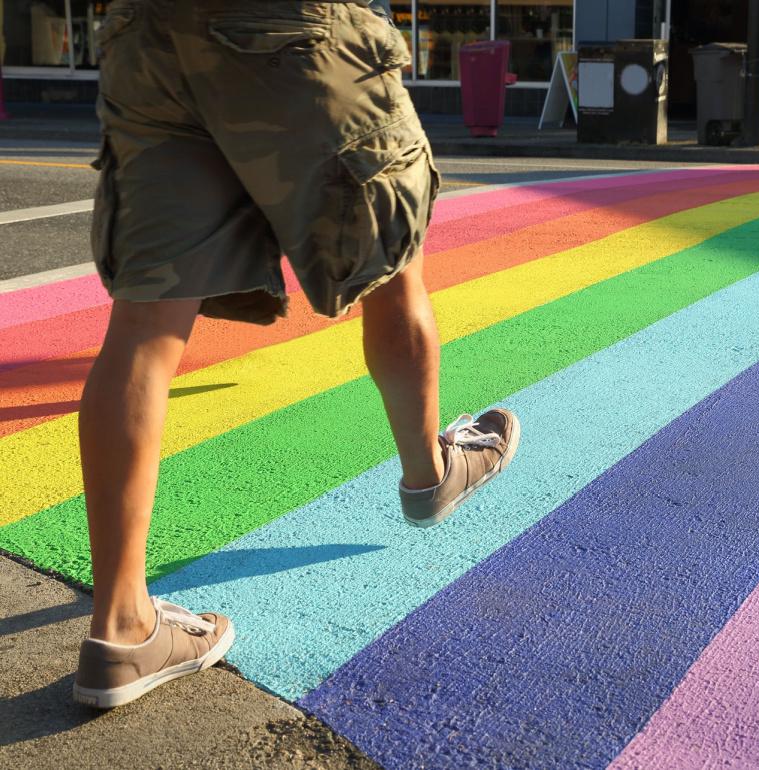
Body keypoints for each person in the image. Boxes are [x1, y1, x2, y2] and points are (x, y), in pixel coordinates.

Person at [72, 0, 520, 709]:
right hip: (289, 26)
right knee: (393, 268)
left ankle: (122, 628)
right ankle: (430, 473)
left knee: (144, 328)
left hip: (147, 32)